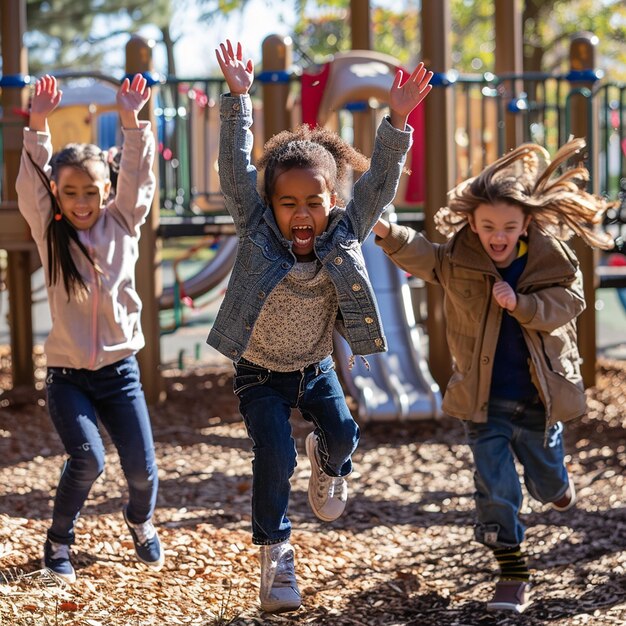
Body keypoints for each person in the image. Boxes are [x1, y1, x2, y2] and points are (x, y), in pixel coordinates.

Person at [210, 39, 432, 613]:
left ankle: (328, 466)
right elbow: (234, 169)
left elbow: (381, 182)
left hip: (313, 367)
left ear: (333, 202)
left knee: (342, 436)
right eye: (288, 203)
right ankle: (276, 556)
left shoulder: (344, 233)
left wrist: (399, 120)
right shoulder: (256, 229)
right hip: (259, 371)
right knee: (274, 456)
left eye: (314, 201)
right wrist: (239, 98)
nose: (301, 213)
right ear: (271, 206)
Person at [373, 138, 614, 613]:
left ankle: (557, 483)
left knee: (547, 486)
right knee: (497, 487)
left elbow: (570, 303)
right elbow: (424, 255)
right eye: (487, 227)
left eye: (508, 226)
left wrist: (521, 304)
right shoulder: (460, 258)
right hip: (482, 402)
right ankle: (512, 571)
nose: (497, 236)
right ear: (473, 224)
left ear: (525, 222)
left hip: (537, 401)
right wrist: (386, 231)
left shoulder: (550, 260)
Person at [16, 73, 164, 583]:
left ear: (106, 191)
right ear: (57, 193)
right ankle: (58, 542)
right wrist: (38, 123)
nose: (81, 202)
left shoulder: (122, 222)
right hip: (68, 376)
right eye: (70, 192)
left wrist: (131, 121)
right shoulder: (49, 228)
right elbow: (31, 181)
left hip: (119, 372)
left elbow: (140, 178)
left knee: (143, 474)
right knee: (88, 459)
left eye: (91, 193)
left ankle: (140, 521)